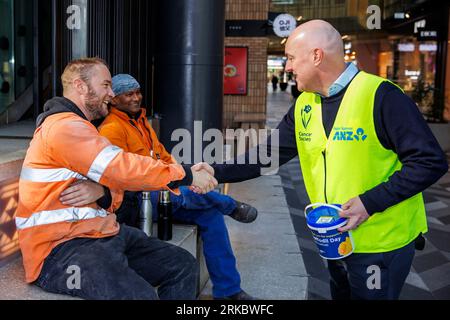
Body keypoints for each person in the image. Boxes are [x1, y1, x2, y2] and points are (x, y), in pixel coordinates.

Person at [212, 20, 448, 300]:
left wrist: (369, 203)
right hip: (334, 241)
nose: (287, 67)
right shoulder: (305, 104)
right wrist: (210, 172)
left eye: (290, 58)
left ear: (316, 55)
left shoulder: (382, 96)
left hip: (380, 245)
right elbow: (267, 156)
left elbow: (430, 161)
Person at [15, 57, 219, 300]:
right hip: (60, 251)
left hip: (103, 234)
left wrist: (104, 192)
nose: (112, 94)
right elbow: (121, 168)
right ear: (80, 86)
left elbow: (117, 184)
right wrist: (185, 175)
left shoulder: (82, 127)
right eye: (106, 85)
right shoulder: (63, 127)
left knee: (183, 265)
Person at [90, 74, 257, 300]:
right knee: (189, 196)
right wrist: (183, 181)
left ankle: (228, 290)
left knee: (211, 216)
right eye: (129, 94)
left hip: (162, 189)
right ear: (114, 100)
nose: (136, 97)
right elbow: (121, 176)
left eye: (138, 92)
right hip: (138, 199)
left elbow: (165, 157)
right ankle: (228, 203)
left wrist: (184, 177)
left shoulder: (142, 122)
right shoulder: (111, 129)